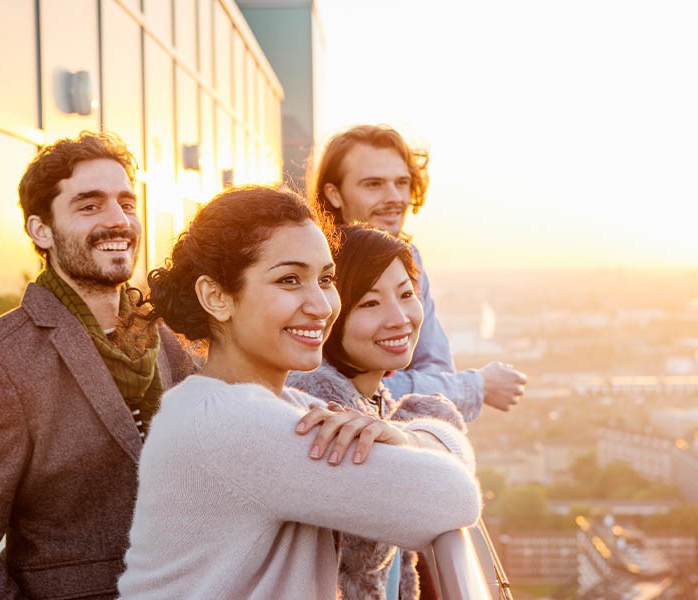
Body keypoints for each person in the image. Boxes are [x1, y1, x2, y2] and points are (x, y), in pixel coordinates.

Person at [117, 186, 481, 599]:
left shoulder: (284, 406)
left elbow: (457, 472)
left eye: (325, 279)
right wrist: (417, 440)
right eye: (289, 280)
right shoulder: (237, 425)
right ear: (216, 297)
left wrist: (405, 436)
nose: (322, 305)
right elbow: (456, 497)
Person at [0, 132, 196, 600]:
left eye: (126, 202)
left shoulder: (167, 339)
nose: (117, 220)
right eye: (89, 206)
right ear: (41, 230)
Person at [288, 224, 465, 600]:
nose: (399, 317)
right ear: (327, 312)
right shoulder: (319, 407)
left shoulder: (371, 396)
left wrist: (407, 439)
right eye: (369, 303)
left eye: (406, 294)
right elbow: (444, 498)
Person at [310, 124, 527, 422]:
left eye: (401, 182)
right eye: (373, 184)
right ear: (334, 194)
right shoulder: (312, 269)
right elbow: (325, 385)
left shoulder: (409, 259)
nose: (394, 197)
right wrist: (474, 386)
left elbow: (434, 369)